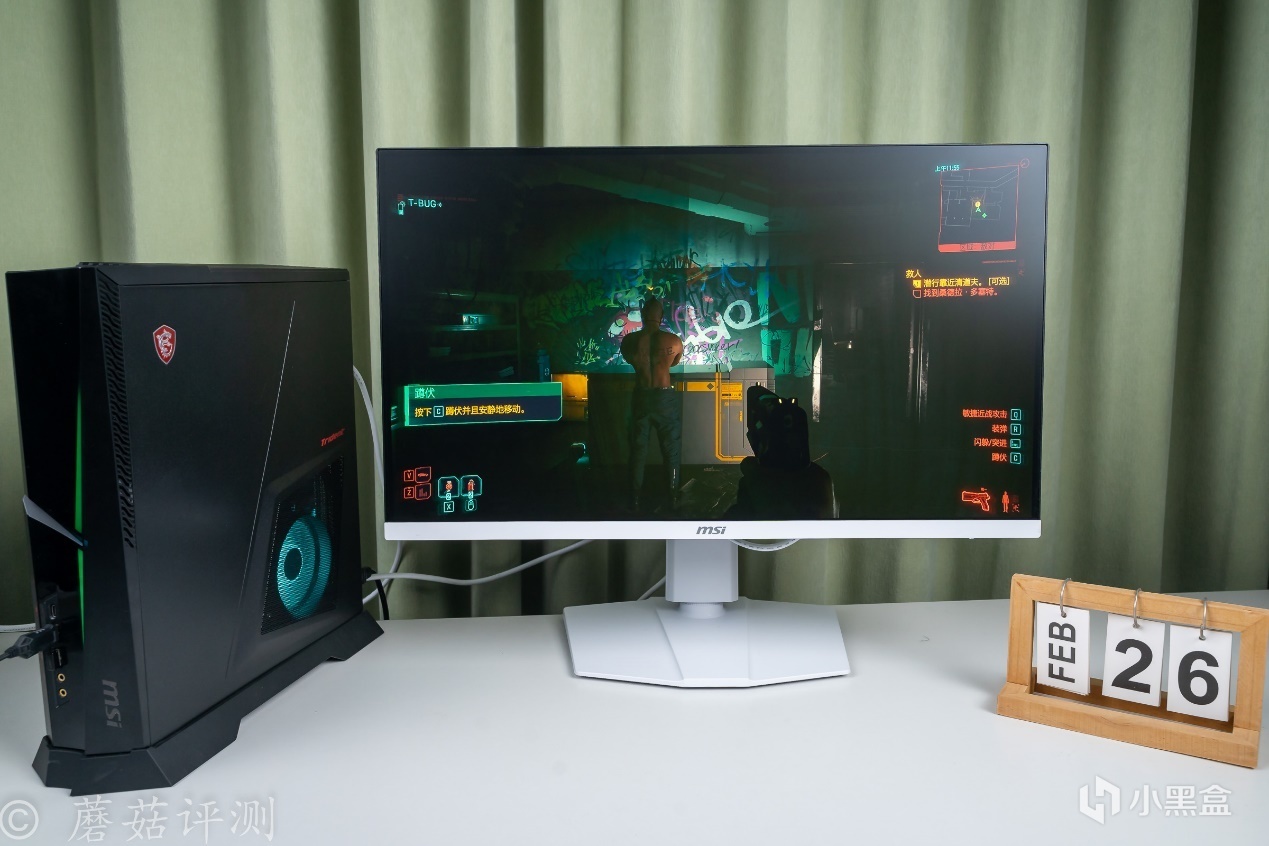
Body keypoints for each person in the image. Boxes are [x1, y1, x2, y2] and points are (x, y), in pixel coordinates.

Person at [620, 296, 684, 511]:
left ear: (642, 314)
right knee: (671, 450)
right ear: (661, 316)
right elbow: (673, 363)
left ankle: (635, 499)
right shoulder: (673, 341)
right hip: (664, 397)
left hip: (641, 395)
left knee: (638, 450)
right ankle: (673, 497)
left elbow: (630, 359)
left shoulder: (629, 341)